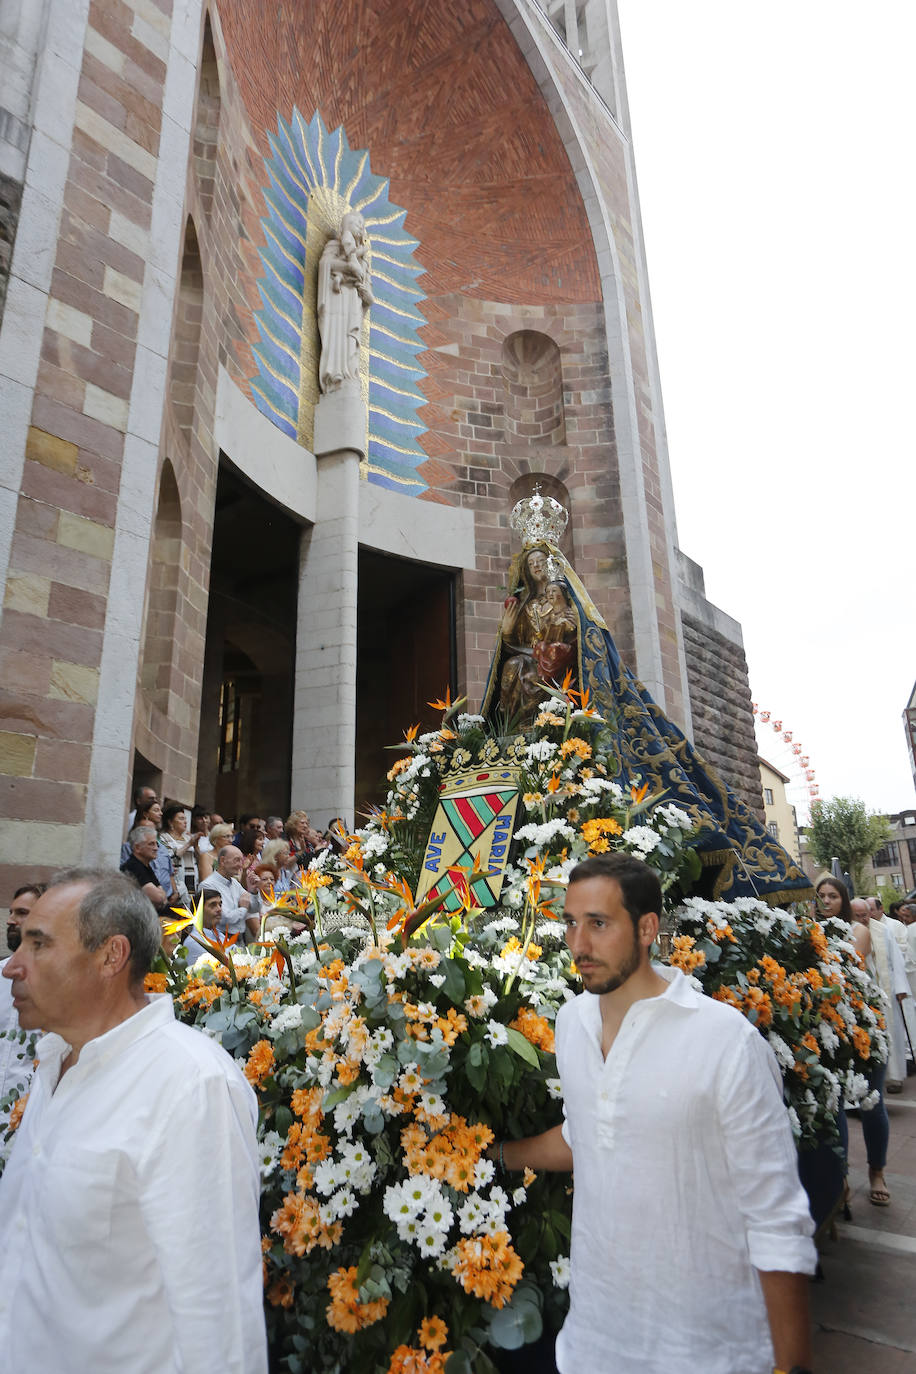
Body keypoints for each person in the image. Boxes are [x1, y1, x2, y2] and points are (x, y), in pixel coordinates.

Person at [493, 854, 816, 1374]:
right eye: (571, 923)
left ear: (647, 928)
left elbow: (777, 1220)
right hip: (592, 1344)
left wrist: (792, 1365)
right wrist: (495, 1156)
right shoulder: (571, 1023)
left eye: (598, 924)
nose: (578, 945)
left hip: (706, 1352)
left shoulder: (725, 1042)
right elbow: (590, 1136)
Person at [0, 869, 267, 1372]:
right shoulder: (57, 1062)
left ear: (110, 956)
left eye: (37, 945)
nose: (12, 966)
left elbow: (218, 1323)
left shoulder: (190, 1085)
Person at [817, 878, 890, 1209]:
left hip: (864, 1025)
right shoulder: (813, 929)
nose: (827, 901)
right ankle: (840, 1178)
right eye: (821, 896)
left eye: (833, 895)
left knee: (871, 1104)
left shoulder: (857, 930)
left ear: (843, 899)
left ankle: (877, 1172)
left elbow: (844, 969)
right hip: (830, 1024)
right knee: (833, 1106)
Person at [852, 896, 910, 1094]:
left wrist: (901, 988)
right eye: (858, 916)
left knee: (891, 1032)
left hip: (884, 989)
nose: (863, 919)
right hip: (863, 994)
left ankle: (893, 1078)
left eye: (865, 915)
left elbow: (895, 960)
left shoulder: (883, 929)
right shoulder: (850, 931)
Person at [0, 884, 45, 1104]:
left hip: (30, 1120)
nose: (10, 920)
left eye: (22, 913)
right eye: (11, 912)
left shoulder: (64, 986)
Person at [199, 845, 262, 940]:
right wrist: (243, 908)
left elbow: (254, 908)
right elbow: (224, 917)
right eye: (236, 860)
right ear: (222, 861)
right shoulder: (208, 885)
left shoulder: (235, 883)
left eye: (241, 860)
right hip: (219, 939)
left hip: (239, 939)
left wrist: (254, 892)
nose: (240, 865)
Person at [119, 826, 168, 915]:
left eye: (156, 844)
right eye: (151, 844)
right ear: (137, 848)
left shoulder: (146, 866)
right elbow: (159, 898)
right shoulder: (133, 867)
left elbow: (163, 897)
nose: (156, 848)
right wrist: (161, 896)